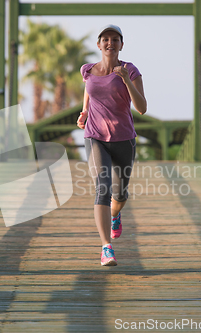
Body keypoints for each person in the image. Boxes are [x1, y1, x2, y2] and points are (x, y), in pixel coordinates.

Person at [77, 24, 147, 266]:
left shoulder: (131, 70)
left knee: (120, 193)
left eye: (115, 39)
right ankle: (106, 247)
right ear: (99, 44)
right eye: (105, 39)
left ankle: (115, 215)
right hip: (95, 137)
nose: (110, 43)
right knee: (102, 189)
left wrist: (126, 80)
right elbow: (89, 89)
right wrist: (85, 111)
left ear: (121, 45)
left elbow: (142, 107)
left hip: (124, 139)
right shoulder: (88, 70)